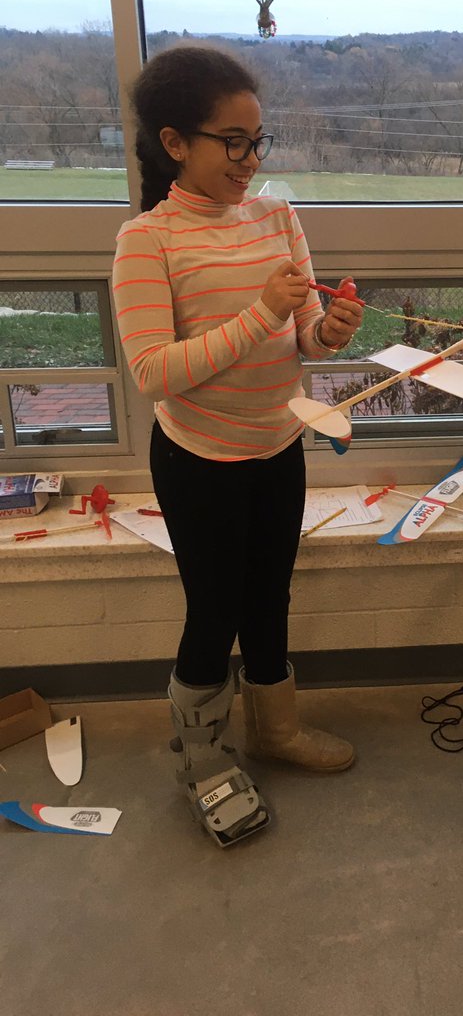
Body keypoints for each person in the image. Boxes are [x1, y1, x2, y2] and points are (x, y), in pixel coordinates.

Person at [113, 45, 363, 848]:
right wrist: (259, 313)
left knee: (269, 599)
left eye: (259, 142)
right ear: (175, 142)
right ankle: (206, 761)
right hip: (200, 464)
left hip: (276, 443)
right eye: (233, 142)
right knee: (213, 611)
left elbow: (303, 341)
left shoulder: (278, 217)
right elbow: (156, 372)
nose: (250, 162)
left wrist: (329, 330)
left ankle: (275, 732)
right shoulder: (144, 243)